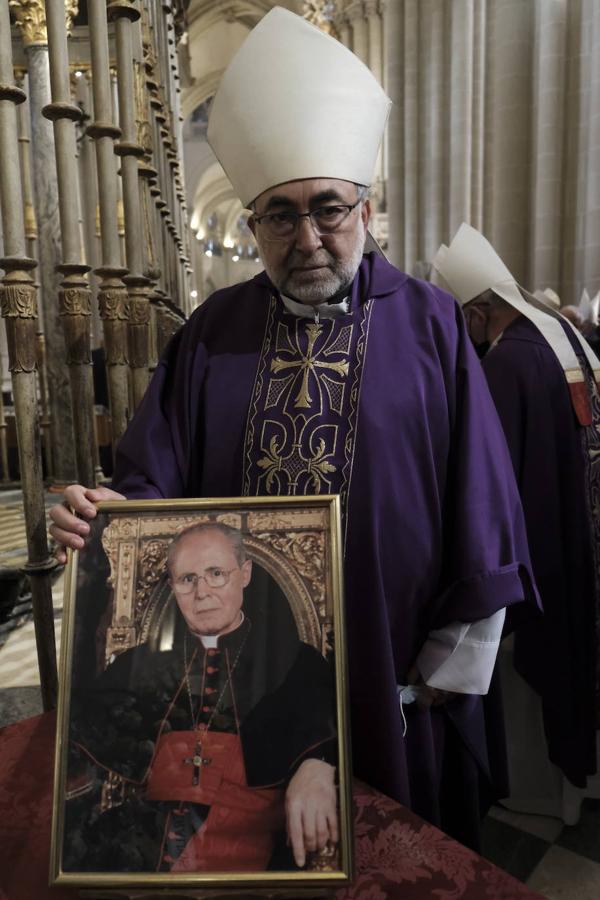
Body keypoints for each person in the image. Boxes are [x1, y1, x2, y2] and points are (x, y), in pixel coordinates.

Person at [50, 8, 539, 850]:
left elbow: (483, 504)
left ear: (367, 207)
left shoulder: (429, 326)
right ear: (252, 228)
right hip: (244, 682)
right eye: (280, 216)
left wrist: (436, 677)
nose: (307, 238)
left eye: (327, 209)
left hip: (400, 677)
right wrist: (104, 514)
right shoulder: (211, 333)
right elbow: (150, 479)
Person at [433, 224, 600, 821]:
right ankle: (577, 785)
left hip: (543, 547)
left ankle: (534, 791)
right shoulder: (565, 339)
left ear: (479, 313)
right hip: (579, 536)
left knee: (535, 661)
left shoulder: (511, 363)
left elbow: (486, 479)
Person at [64, 521, 337, 873]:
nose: (202, 592)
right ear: (173, 586)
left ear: (245, 574)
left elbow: (330, 727)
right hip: (144, 844)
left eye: (216, 573)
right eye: (187, 579)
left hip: (252, 850)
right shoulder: (138, 665)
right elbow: (79, 735)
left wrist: (318, 764)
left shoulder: (296, 661)